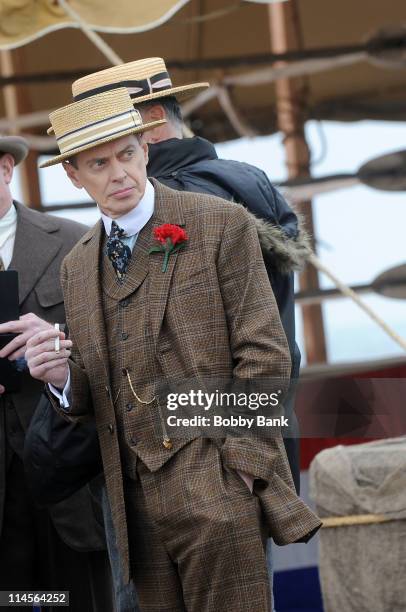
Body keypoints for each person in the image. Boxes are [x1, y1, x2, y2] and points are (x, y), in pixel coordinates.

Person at [26, 87, 321, 611]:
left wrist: (242, 470)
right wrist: (62, 380)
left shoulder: (220, 223)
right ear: (73, 174)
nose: (119, 174)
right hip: (131, 509)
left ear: (146, 145)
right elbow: (103, 382)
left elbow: (266, 354)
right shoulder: (77, 264)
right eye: (99, 163)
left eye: (127, 154)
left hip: (221, 489)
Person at [71, 57, 306, 494]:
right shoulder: (245, 181)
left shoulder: (174, 207)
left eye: (110, 131)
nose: (100, 152)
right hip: (258, 432)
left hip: (199, 458)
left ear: (153, 124)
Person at [0, 134, 113, 611]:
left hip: (67, 466)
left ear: (6, 168)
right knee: (13, 601)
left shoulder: (75, 242)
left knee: (80, 600)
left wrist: (58, 345)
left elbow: (115, 346)